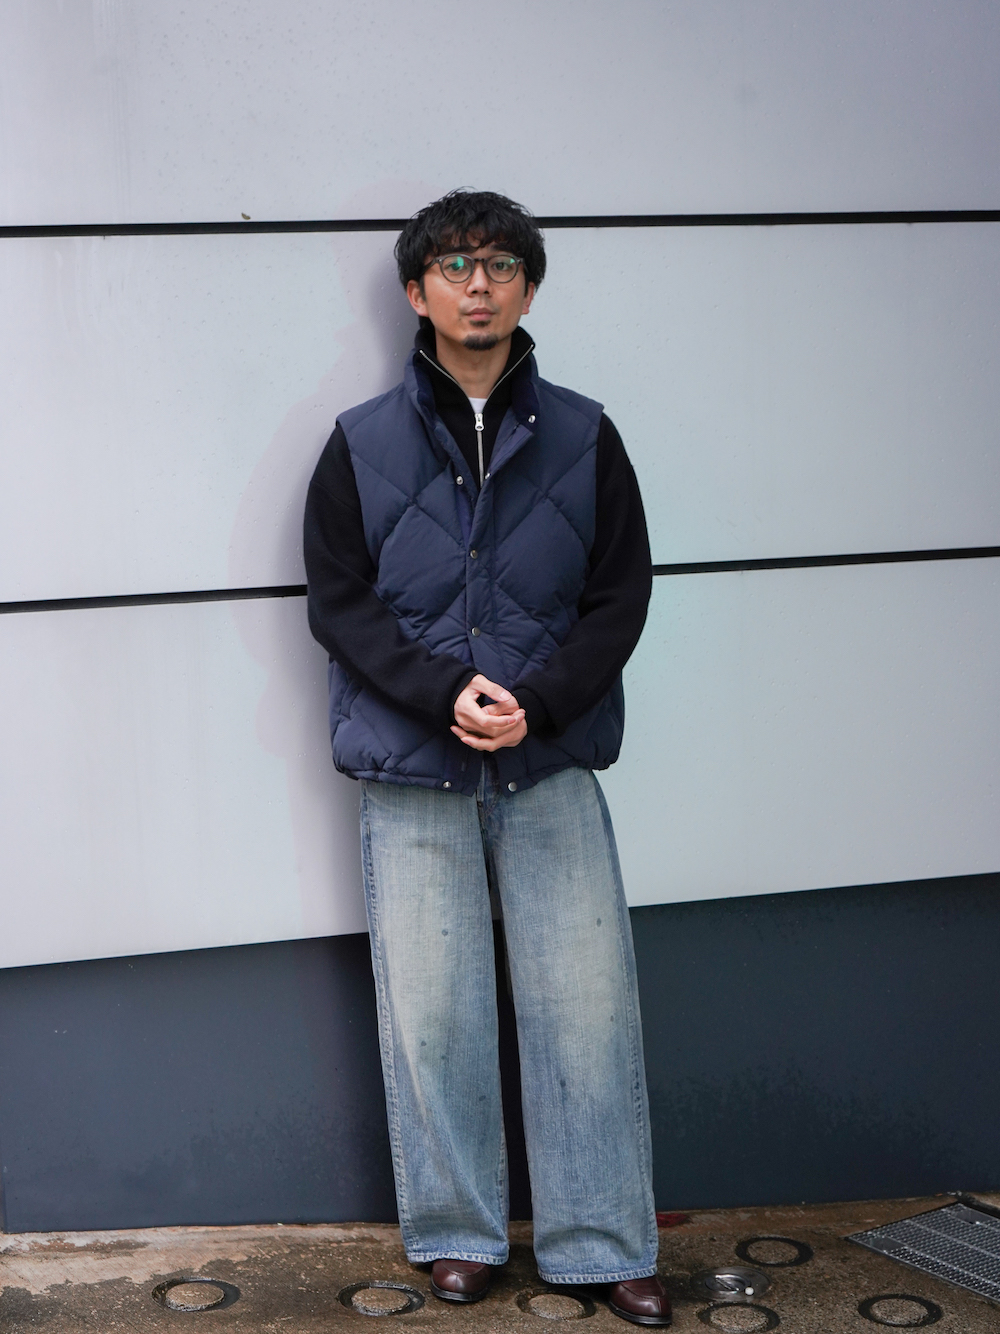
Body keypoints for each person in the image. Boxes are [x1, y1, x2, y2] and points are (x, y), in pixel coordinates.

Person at [304, 190, 670, 1326]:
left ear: (528, 287)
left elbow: (619, 597)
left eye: (501, 264)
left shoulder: (586, 434)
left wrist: (539, 703)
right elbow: (341, 604)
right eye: (456, 266)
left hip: (547, 761)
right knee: (433, 1014)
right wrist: (438, 694)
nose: (479, 284)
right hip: (412, 770)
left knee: (587, 1010)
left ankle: (602, 1241)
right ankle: (458, 1235)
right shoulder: (359, 443)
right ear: (417, 292)